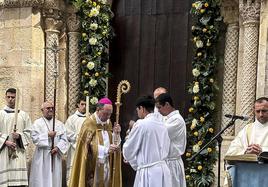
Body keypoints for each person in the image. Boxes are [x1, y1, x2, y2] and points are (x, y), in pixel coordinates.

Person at [69, 97, 121, 187]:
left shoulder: (108, 123)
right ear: (98, 110)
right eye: (106, 114)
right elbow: (86, 146)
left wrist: (117, 134)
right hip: (93, 164)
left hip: (107, 162)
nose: (108, 117)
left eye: (110, 114)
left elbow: (112, 141)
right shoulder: (89, 123)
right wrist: (105, 150)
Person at [123, 95, 171, 187]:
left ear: (142, 108)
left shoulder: (141, 124)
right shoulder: (162, 124)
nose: (137, 113)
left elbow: (129, 149)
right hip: (163, 170)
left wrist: (131, 160)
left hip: (149, 173)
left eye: (137, 110)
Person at [27, 101, 68, 187]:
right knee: (41, 179)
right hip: (42, 155)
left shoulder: (59, 124)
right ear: (42, 110)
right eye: (48, 108)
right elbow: (35, 139)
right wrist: (47, 135)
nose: (50, 110)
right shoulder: (37, 123)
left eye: (52, 108)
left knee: (54, 179)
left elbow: (64, 139)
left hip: (55, 155)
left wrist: (57, 148)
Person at [0, 88, 32, 187]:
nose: (10, 99)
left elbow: (29, 132)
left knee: (18, 183)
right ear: (5, 97)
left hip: (18, 151)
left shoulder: (23, 115)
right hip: (4, 151)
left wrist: (19, 137)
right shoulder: (0, 114)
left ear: (17, 98)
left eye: (13, 97)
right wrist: (5, 142)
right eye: (8, 97)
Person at [155, 93, 186, 187]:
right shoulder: (167, 119)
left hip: (172, 164)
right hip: (165, 163)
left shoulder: (177, 120)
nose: (159, 111)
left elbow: (160, 134)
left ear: (167, 104)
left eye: (159, 107)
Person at [65, 96, 87, 183]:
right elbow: (67, 133)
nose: (84, 106)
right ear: (78, 105)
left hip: (87, 149)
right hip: (75, 149)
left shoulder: (89, 119)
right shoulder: (72, 119)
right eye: (82, 104)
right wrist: (79, 138)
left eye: (86, 104)